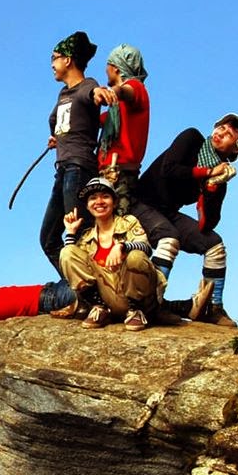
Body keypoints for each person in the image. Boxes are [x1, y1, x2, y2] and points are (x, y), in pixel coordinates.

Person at [132, 113, 238, 328]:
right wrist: (207, 172)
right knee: (169, 238)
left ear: (236, 149)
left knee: (215, 245)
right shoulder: (192, 138)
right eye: (222, 127)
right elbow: (169, 169)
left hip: (167, 213)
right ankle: (150, 305)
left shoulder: (219, 174)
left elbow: (208, 223)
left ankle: (212, 308)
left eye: (229, 134)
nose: (221, 133)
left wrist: (212, 187)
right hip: (141, 203)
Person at [39, 31, 115, 276]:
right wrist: (58, 137)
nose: (52, 63)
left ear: (68, 59)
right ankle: (77, 285)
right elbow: (62, 121)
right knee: (48, 238)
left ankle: (96, 288)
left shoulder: (87, 85)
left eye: (55, 57)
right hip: (63, 169)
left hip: (79, 168)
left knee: (81, 232)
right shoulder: (64, 93)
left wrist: (99, 94)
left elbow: (92, 94)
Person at [57, 177, 172, 330]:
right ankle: (99, 308)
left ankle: (136, 310)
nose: (99, 202)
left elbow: (146, 248)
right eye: (93, 198)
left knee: (135, 256)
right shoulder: (86, 237)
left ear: (115, 202)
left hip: (139, 296)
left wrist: (122, 246)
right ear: (87, 206)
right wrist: (70, 232)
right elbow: (71, 264)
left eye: (105, 196)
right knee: (67, 252)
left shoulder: (129, 222)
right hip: (108, 296)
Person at [96, 43, 152, 217]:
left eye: (108, 65)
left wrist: (112, 92)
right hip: (105, 173)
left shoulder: (136, 88)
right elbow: (94, 122)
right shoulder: (115, 112)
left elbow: (125, 91)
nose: (106, 70)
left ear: (116, 68)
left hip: (119, 174)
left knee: (118, 224)